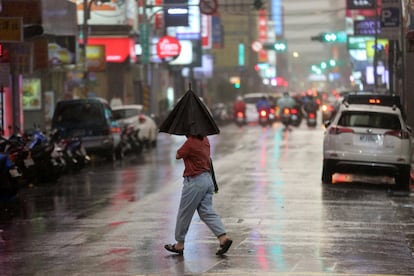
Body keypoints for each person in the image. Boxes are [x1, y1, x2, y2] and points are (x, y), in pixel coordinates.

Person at [164, 135, 232, 256]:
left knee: (184, 213)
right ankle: (223, 238)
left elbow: (178, 155)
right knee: (207, 211)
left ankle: (179, 244)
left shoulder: (190, 142)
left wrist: (186, 145)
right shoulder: (205, 139)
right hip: (207, 179)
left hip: (195, 182)